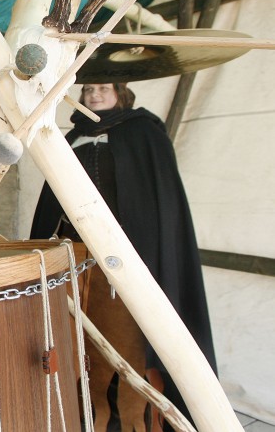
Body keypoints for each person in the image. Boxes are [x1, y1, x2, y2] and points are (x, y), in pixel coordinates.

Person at [30, 82, 216, 431]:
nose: (94, 95)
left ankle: (125, 421)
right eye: (88, 90)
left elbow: (157, 204)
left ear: (121, 94)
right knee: (72, 336)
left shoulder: (143, 133)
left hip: (127, 262)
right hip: (75, 261)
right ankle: (75, 413)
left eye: (103, 88)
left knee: (124, 341)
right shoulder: (70, 138)